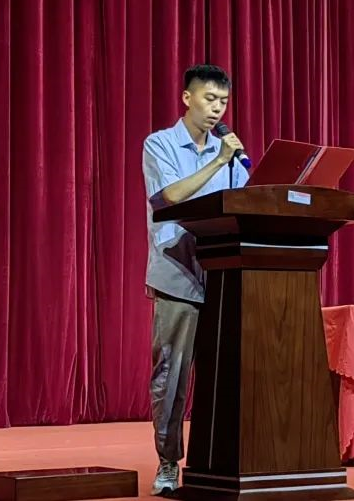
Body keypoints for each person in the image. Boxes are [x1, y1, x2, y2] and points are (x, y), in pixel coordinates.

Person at [142, 64, 249, 495]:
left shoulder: (231, 154)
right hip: (178, 274)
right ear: (187, 98)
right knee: (172, 375)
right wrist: (219, 160)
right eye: (209, 99)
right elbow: (169, 197)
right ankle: (168, 463)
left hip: (224, 274)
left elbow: (245, 201)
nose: (217, 108)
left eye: (223, 101)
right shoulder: (160, 144)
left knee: (228, 373)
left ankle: (224, 461)